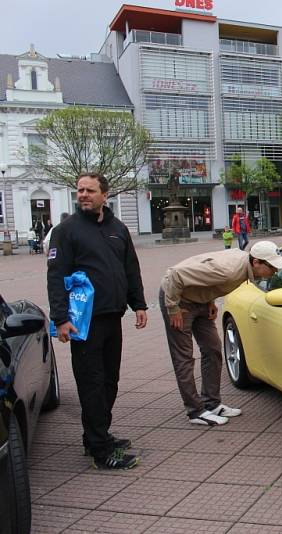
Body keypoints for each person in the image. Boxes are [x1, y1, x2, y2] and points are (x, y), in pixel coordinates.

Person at [47, 172, 147, 470]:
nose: (83, 195)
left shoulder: (118, 228)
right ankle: (101, 450)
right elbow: (56, 276)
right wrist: (61, 319)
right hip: (83, 322)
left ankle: (97, 436)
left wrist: (138, 303)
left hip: (112, 317)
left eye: (90, 190)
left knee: (109, 381)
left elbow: (130, 268)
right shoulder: (66, 231)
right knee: (91, 384)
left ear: (105, 194)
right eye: (80, 190)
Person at [160, 240, 282, 426]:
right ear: (256, 263)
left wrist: (210, 301)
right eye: (272, 267)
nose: (275, 272)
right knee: (184, 358)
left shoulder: (243, 266)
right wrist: (173, 308)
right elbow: (174, 275)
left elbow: (210, 281)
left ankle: (211, 403)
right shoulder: (229, 270)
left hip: (200, 301)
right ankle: (195, 411)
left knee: (213, 350)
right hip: (178, 300)